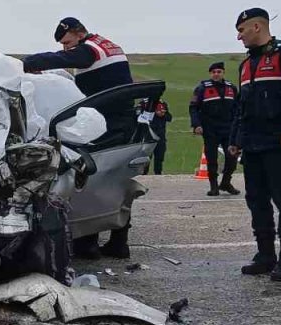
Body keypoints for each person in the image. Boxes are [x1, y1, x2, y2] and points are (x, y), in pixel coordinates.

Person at [23, 16, 135, 259]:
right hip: (119, 120)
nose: (66, 48)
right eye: (64, 44)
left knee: (91, 179)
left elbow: (66, 58)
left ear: (78, 32)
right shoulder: (108, 46)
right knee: (116, 179)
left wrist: (30, 62)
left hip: (108, 123)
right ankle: (118, 243)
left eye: (67, 42)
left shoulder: (91, 48)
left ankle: (89, 244)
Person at [229, 8, 281, 282]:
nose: (239, 37)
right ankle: (265, 256)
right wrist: (235, 140)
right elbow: (242, 108)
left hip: (280, 143)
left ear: (256, 26)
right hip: (253, 145)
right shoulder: (246, 65)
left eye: (241, 30)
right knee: (256, 201)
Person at [189, 61, 240, 196]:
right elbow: (193, 108)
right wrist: (196, 125)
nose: (216, 74)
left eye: (219, 72)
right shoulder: (202, 88)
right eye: (214, 72)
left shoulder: (231, 88)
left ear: (223, 73)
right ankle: (214, 186)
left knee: (232, 157)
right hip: (210, 128)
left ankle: (226, 182)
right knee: (211, 158)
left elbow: (237, 108)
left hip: (228, 128)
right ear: (210, 74)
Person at [140, 98, 172, 174]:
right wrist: (155, 113)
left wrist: (163, 114)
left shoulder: (162, 103)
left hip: (161, 135)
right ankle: (144, 174)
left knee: (160, 156)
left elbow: (169, 118)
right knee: (146, 157)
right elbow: (139, 117)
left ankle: (158, 174)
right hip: (148, 135)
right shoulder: (143, 104)